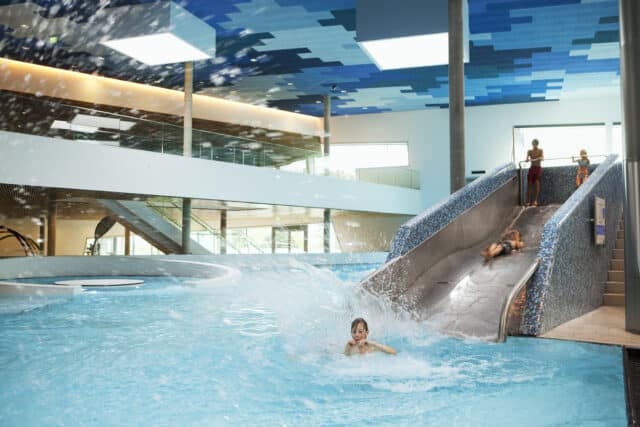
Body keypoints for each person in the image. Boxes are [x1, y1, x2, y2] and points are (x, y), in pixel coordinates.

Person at [526, 139, 544, 207]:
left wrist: (539, 158)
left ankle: (535, 201)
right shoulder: (529, 151)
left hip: (538, 168)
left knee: (536, 183)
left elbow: (542, 158)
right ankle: (528, 201)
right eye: (534, 144)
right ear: (532, 144)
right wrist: (527, 159)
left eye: (536, 144)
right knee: (529, 184)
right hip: (532, 168)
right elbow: (527, 159)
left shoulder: (540, 150)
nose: (535, 145)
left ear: (537, 144)